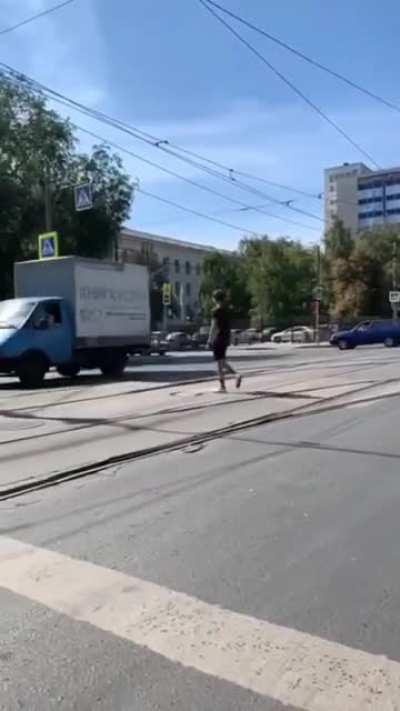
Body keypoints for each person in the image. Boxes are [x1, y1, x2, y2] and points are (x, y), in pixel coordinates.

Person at [208, 289, 242, 393]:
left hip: (219, 337)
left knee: (220, 363)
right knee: (221, 361)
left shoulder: (216, 311)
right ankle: (224, 385)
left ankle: (232, 378)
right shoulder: (227, 310)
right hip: (226, 337)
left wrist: (210, 339)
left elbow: (213, 327)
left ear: (215, 299)